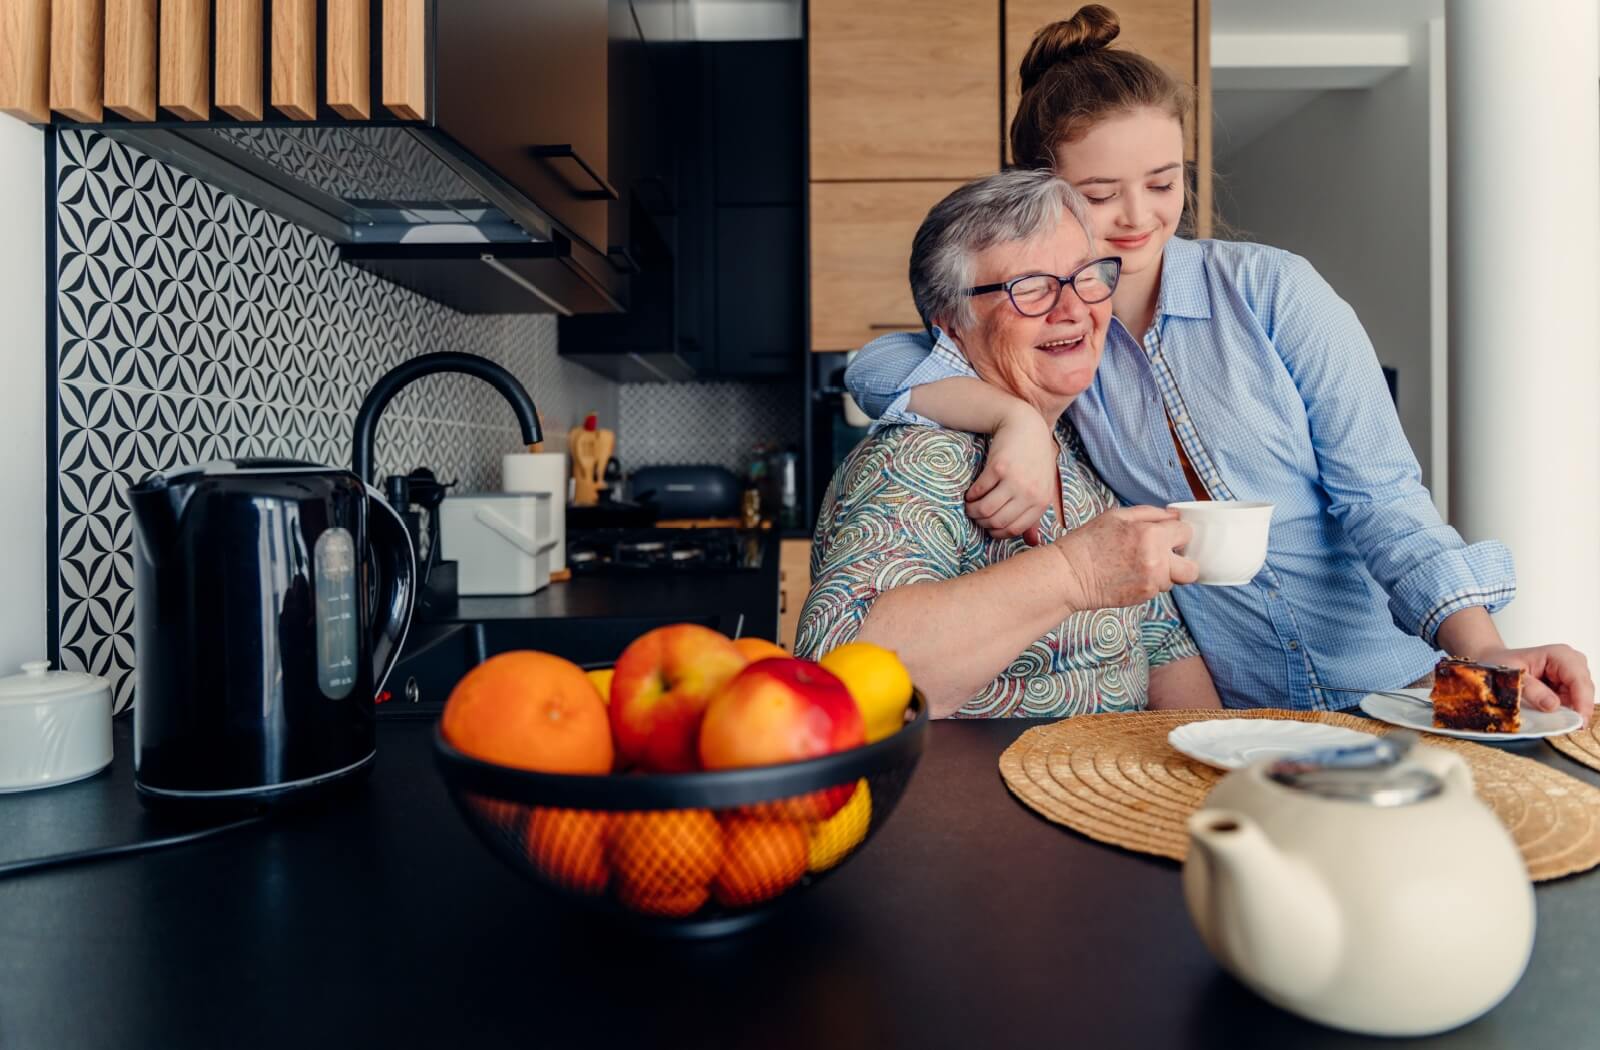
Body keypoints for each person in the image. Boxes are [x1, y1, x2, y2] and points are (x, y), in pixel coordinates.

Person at [843, 5, 1593, 719]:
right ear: (1039, 191)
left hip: (1392, 684)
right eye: (1101, 194)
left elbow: (1385, 500)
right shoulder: (1064, 337)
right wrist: (1014, 420)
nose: (1141, 217)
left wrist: (1486, 652)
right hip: (1243, 707)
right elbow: (876, 366)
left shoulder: (1274, 292)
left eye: (1164, 183)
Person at [795, 168, 1221, 718]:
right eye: (1031, 288)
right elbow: (840, 672)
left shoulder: (1082, 443)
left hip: (1111, 795)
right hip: (981, 798)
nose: (1072, 309)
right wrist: (1075, 573)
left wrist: (1206, 766)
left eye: (1084, 276)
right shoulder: (920, 458)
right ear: (951, 324)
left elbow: (1161, 645)